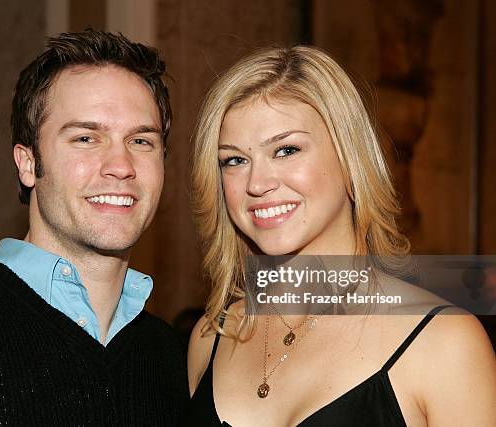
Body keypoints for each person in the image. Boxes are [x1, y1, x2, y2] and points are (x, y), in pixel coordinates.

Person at [0, 30, 188, 426]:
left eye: (141, 141)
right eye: (85, 138)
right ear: (28, 164)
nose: (121, 164)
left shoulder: (170, 356)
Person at [187, 46, 495, 426]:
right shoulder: (210, 337)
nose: (258, 183)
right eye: (234, 160)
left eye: (286, 150)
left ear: (350, 160)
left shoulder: (445, 345)